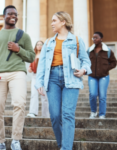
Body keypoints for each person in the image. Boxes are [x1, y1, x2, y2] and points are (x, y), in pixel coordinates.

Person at [35, 11, 91, 150]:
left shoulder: (77, 40)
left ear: (63, 22)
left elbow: (86, 61)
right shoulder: (48, 42)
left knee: (67, 114)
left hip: (71, 78)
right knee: (54, 115)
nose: (51, 23)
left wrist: (84, 70)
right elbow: (41, 65)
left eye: (54, 20)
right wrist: (39, 83)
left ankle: (66, 148)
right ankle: (62, 144)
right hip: (52, 78)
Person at [0, 5, 35, 150]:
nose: (13, 16)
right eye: (10, 13)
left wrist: (18, 49)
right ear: (4, 16)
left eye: (15, 14)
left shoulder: (23, 35)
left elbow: (31, 56)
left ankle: (16, 140)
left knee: (19, 103)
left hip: (17, 72)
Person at [87, 32, 117, 119]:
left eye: (96, 37)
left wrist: (106, 68)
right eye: (93, 38)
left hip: (104, 76)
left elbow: (114, 62)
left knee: (102, 96)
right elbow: (85, 61)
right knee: (92, 94)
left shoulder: (108, 51)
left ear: (101, 39)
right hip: (92, 76)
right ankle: (93, 112)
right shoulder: (89, 50)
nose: (94, 39)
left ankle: (102, 114)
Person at [27, 40, 50, 118]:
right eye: (38, 44)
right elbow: (30, 66)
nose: (39, 45)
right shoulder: (33, 55)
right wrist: (29, 69)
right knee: (34, 94)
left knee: (44, 96)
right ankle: (33, 112)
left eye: (41, 44)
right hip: (34, 76)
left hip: (44, 76)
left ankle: (46, 114)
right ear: (36, 46)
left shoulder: (46, 55)